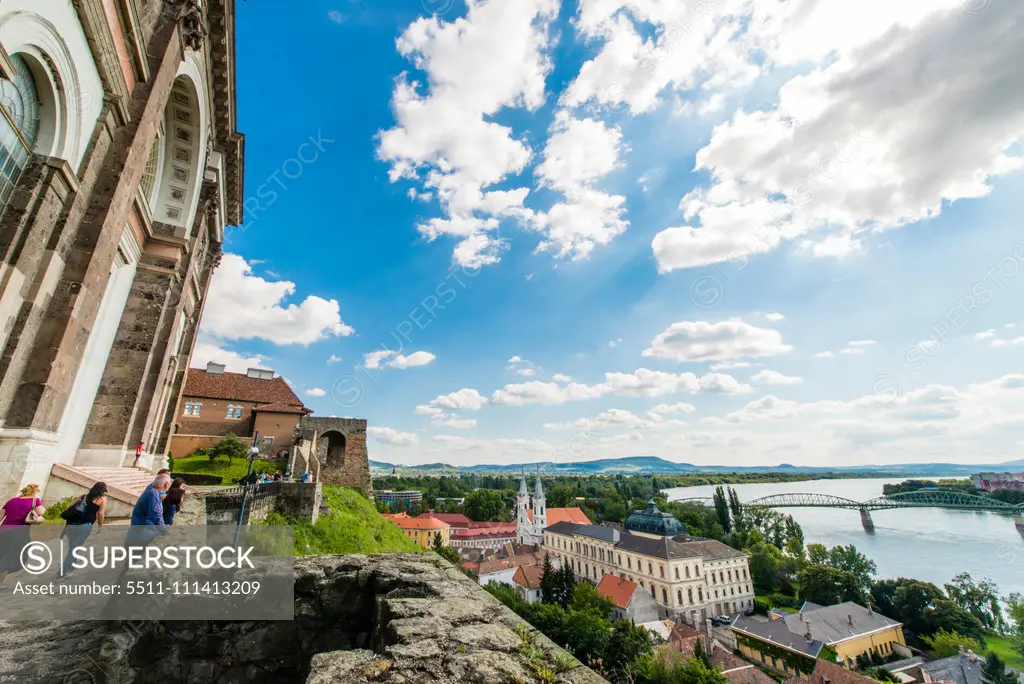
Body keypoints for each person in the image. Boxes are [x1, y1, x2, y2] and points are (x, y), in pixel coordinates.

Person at [57, 482, 107, 579]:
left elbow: (70, 508)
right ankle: (62, 573)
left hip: (72, 525)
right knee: (74, 549)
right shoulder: (101, 500)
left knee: (73, 547)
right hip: (85, 526)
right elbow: (100, 514)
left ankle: (71, 566)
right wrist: (100, 526)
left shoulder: (83, 496)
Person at [0, 484, 46, 585]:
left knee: (2, 554)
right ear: (34, 492)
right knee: (14, 558)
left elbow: (0, 516)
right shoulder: (35, 500)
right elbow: (41, 512)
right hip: (20, 534)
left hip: (3, 531)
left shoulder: (11, 500)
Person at [128, 473, 170, 545]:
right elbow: (156, 515)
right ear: (167, 484)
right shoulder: (154, 494)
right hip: (143, 529)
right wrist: (164, 531)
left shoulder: (150, 489)